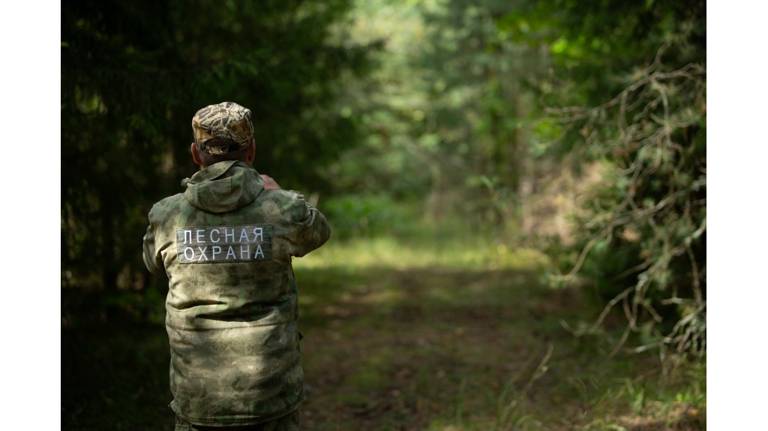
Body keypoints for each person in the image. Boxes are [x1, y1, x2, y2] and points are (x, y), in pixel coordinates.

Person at [142, 101, 331, 431]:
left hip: (197, 397)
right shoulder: (282, 209)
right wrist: (279, 193)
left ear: (196, 154)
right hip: (269, 393)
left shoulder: (167, 215)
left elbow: (151, 263)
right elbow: (318, 232)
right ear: (251, 150)